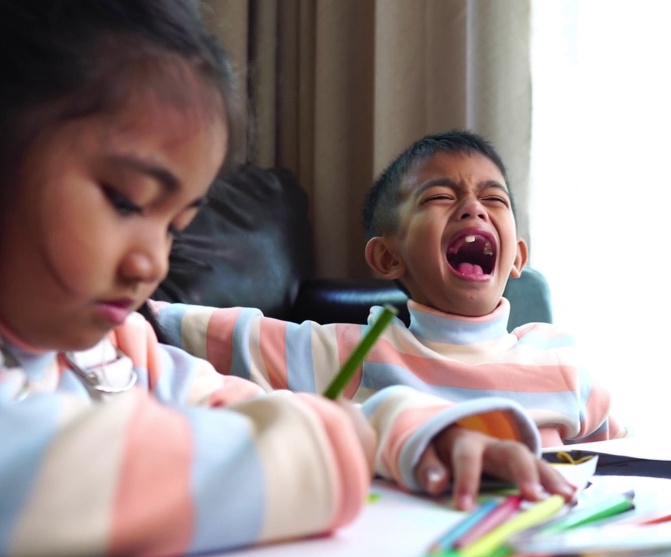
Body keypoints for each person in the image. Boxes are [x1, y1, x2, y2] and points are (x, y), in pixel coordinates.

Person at [0, 0, 571, 557]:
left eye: (175, 227)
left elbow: (257, 409)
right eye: (125, 201)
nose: (153, 262)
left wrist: (416, 435)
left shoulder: (120, 351)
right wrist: (315, 455)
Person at [155, 130, 628, 452]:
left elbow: (629, 466)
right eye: (440, 197)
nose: (472, 209)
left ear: (519, 256)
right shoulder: (354, 351)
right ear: (387, 258)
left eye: (493, 198)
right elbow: (211, 332)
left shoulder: (561, 361)